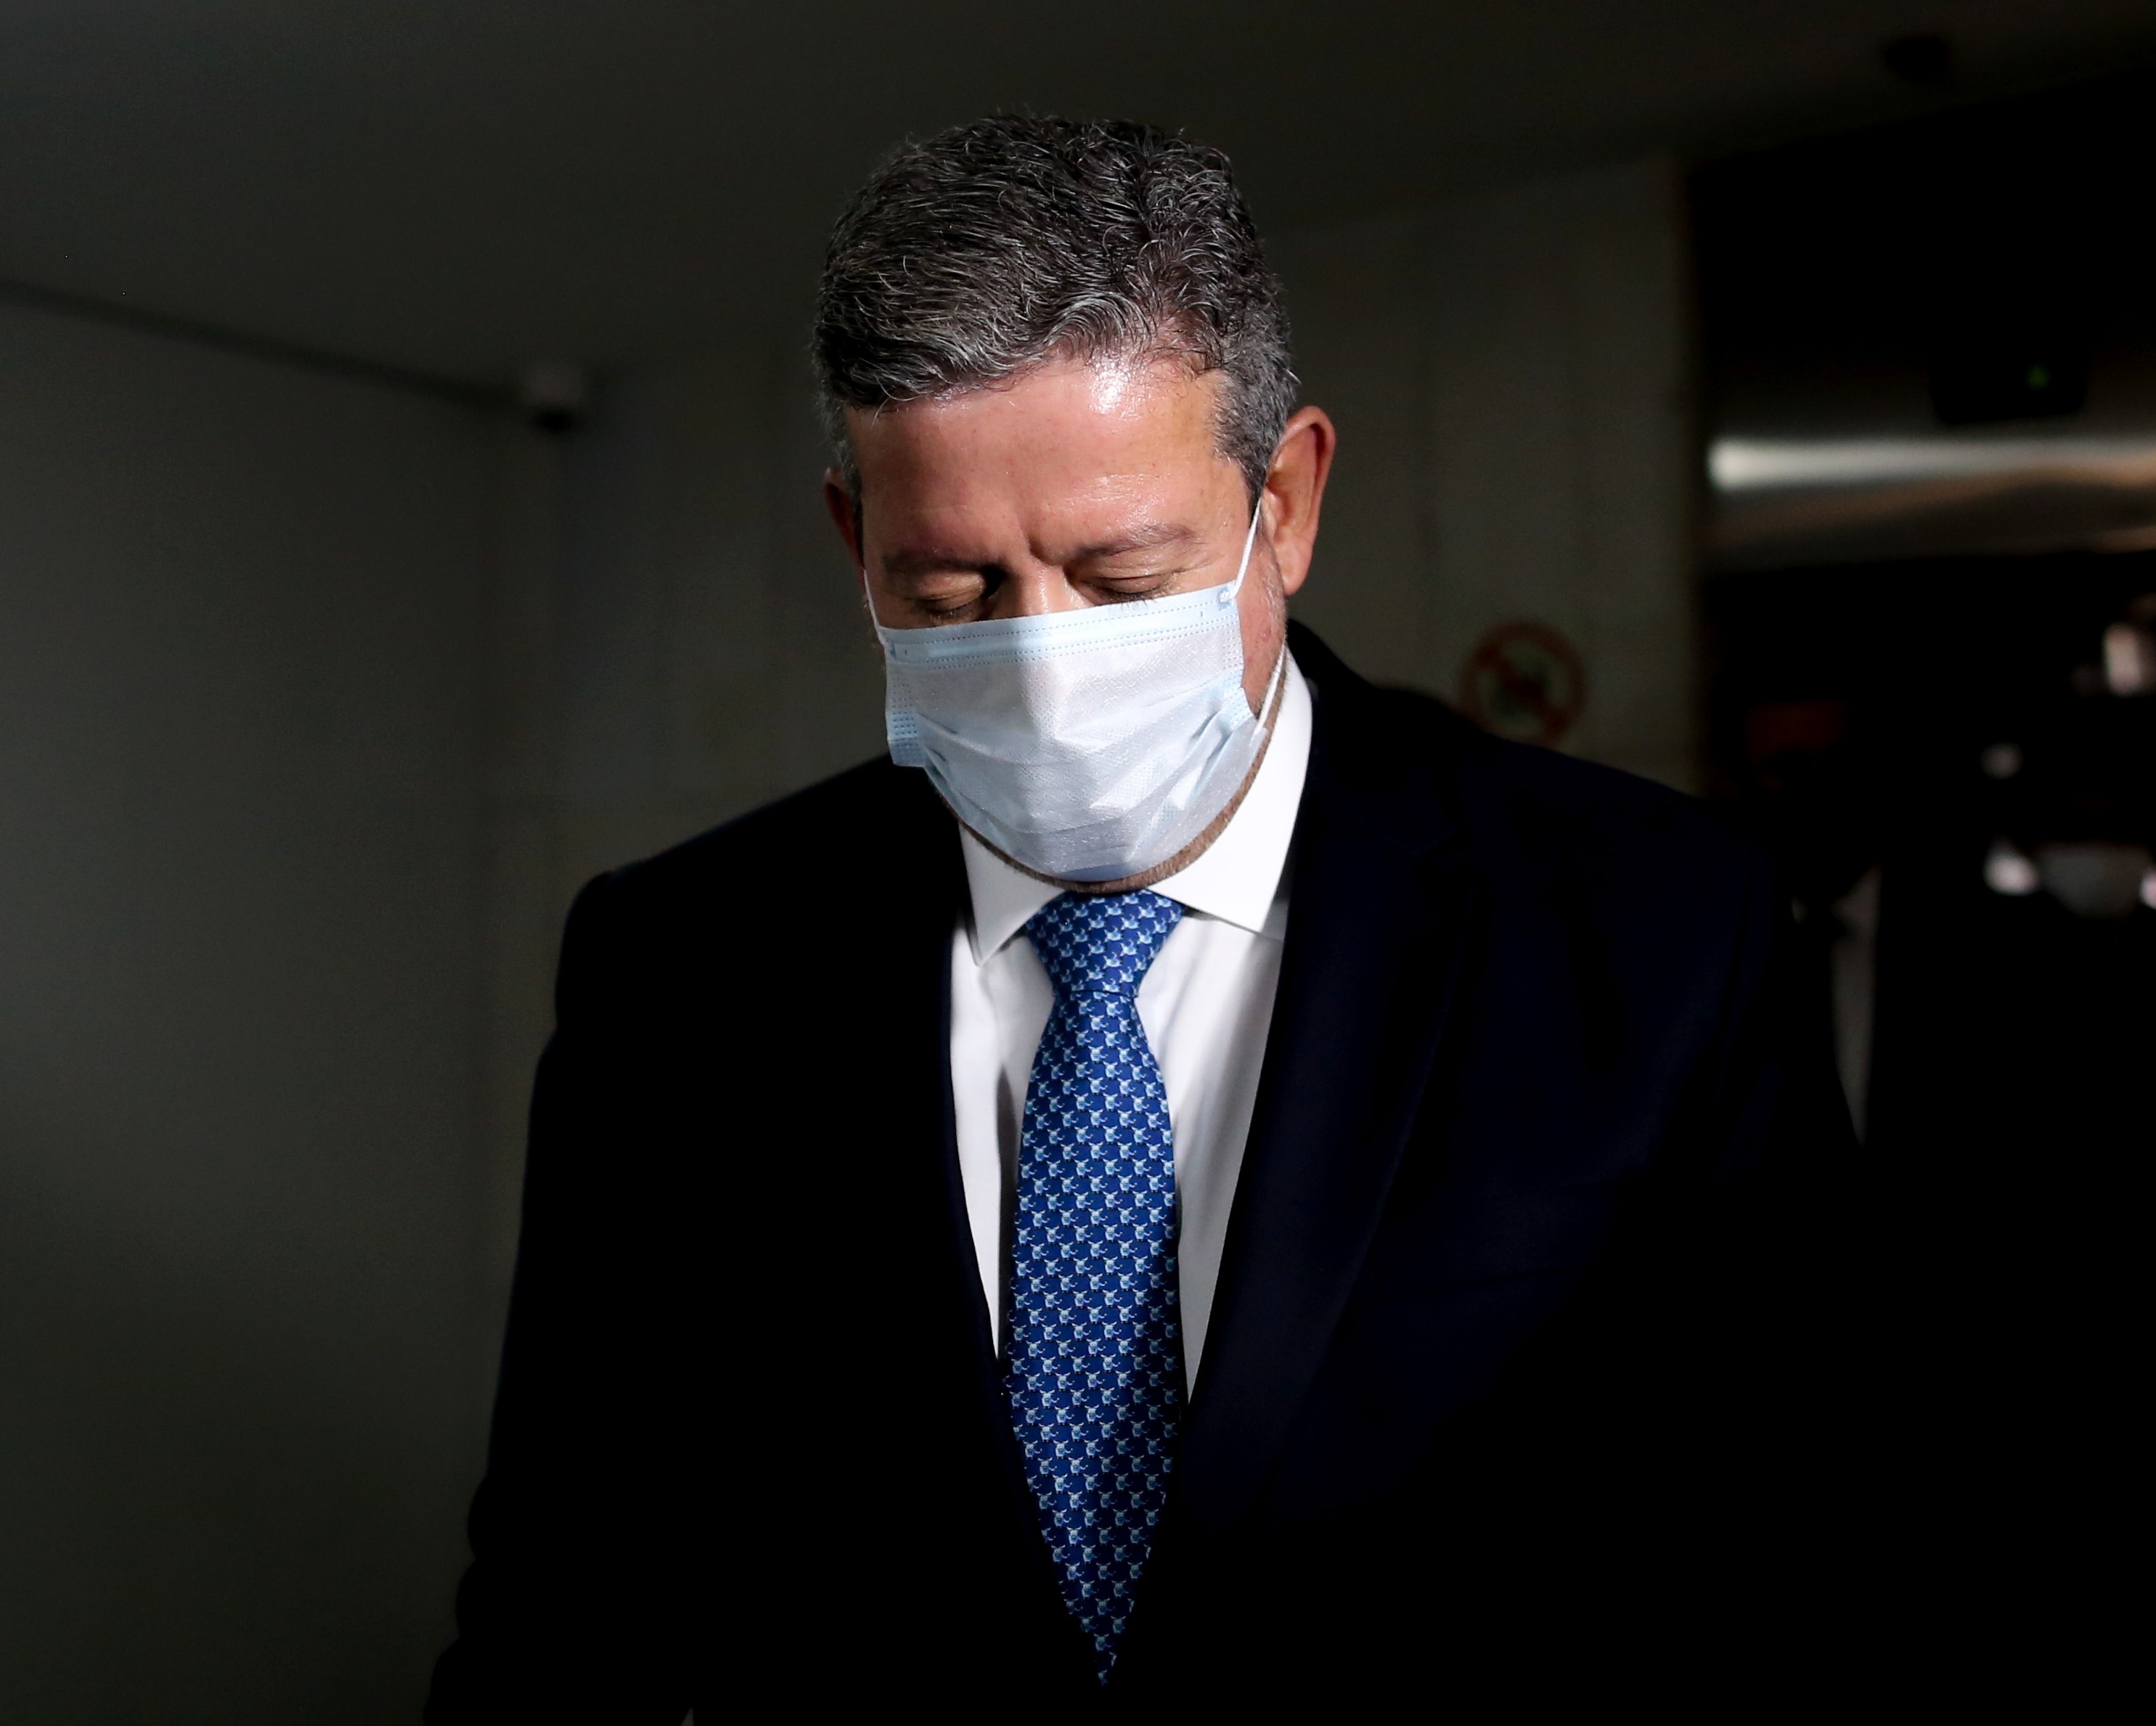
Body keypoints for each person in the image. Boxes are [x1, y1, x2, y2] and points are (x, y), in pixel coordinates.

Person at [427, 115, 1855, 1719]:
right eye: (952, 591)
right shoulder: (680, 969)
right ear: (854, 544)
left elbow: (1781, 1557)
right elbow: (560, 1604)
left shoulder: (1662, 931)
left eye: (1121, 579)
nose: (1044, 674)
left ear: (1285, 501)